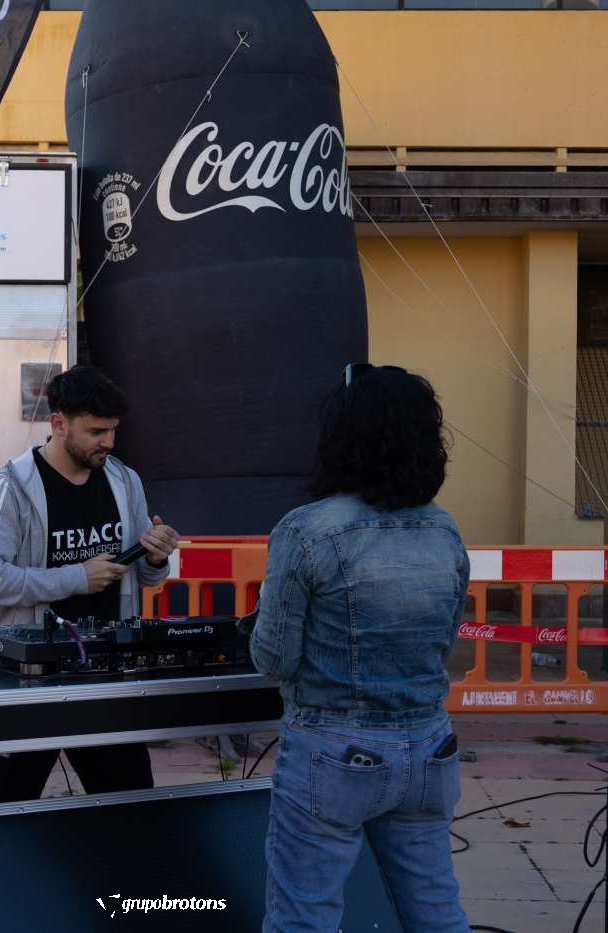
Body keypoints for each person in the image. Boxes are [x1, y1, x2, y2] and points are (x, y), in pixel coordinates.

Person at [251, 364, 471, 933]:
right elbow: (444, 643)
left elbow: (274, 660)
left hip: (333, 752)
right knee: (437, 912)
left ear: (342, 437)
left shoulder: (307, 530)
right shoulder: (443, 530)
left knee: (303, 917)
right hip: (430, 746)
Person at [0, 365, 180, 802]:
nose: (108, 442)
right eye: (96, 431)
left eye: (113, 430)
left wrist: (157, 557)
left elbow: (144, 575)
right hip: (29, 678)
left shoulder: (124, 480)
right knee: (9, 802)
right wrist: (76, 578)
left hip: (108, 671)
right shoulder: (10, 488)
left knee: (129, 800)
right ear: (59, 424)